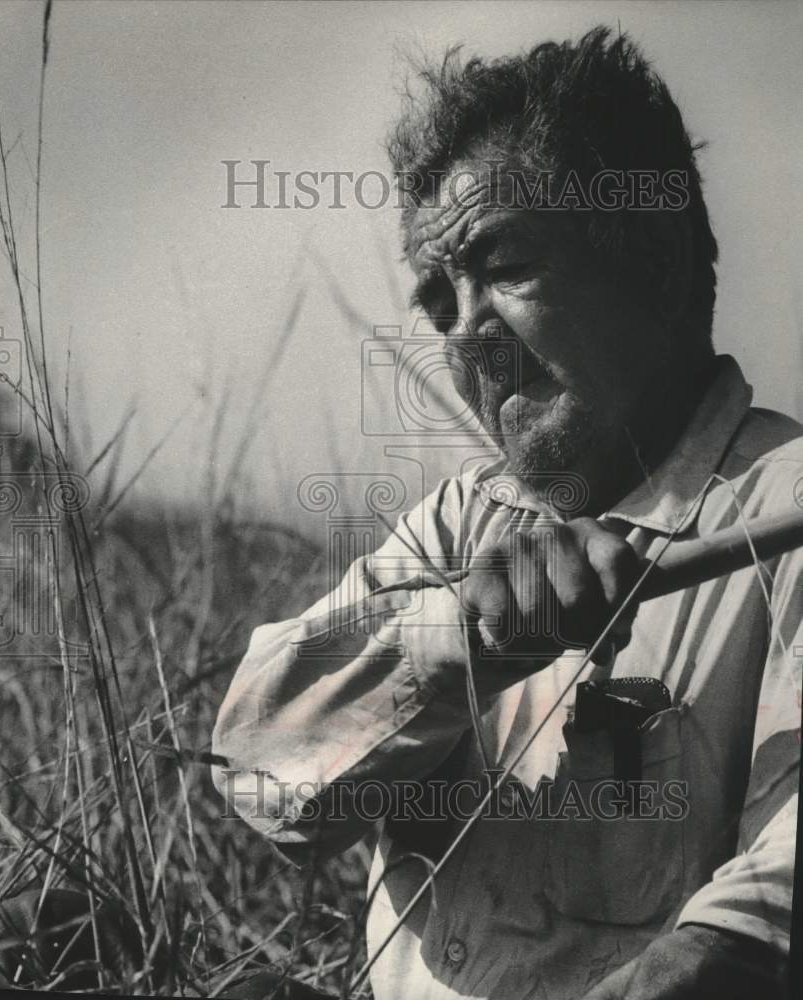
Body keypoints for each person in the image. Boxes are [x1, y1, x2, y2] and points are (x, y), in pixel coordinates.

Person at [212, 27, 798, 1000]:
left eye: (504, 266)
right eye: (441, 300)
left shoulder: (789, 508)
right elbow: (259, 772)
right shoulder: (457, 528)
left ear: (652, 258)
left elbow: (764, 925)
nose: (467, 340)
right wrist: (455, 640)